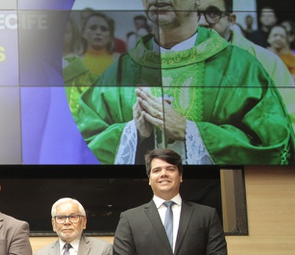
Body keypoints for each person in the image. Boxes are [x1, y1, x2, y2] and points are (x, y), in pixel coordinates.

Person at [76, 0, 295, 166]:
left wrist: (191, 131)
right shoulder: (120, 71)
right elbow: (81, 143)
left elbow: (275, 146)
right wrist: (133, 132)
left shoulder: (240, 67)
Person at [113, 148, 228, 255]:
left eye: (170, 169)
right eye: (157, 170)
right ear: (149, 179)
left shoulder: (206, 215)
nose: (163, 174)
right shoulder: (130, 218)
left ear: (180, 176)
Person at [197, 0, 295, 129]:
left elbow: (290, 119)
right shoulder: (176, 56)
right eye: (195, 14)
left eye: (213, 14)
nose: (202, 22)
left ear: (231, 20)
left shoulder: (265, 61)